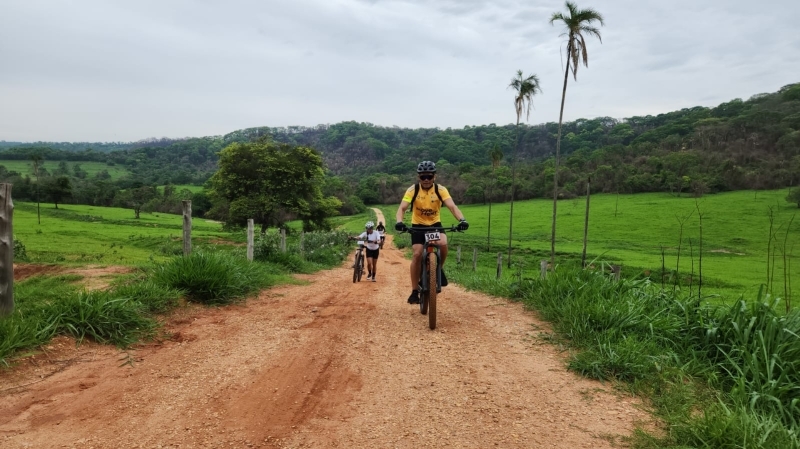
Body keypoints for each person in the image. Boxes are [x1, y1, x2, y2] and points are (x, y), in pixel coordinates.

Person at [395, 161, 469, 304]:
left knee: (443, 244)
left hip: (435, 225)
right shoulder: (412, 190)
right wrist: (399, 222)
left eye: (429, 176)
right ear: (419, 177)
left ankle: (437, 270)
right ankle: (414, 290)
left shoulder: (441, 190)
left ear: (435, 176)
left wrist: (462, 220)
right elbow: (402, 208)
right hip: (417, 226)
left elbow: (452, 207)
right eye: (423, 177)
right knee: (417, 254)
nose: (427, 179)